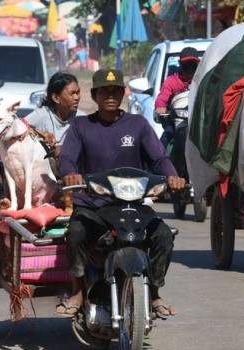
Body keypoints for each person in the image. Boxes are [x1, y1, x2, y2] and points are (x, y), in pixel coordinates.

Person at [57, 68, 186, 318]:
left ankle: (154, 292)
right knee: (76, 232)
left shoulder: (138, 125)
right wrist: (70, 174)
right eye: (104, 92)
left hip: (132, 205)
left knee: (163, 236)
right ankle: (78, 290)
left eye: (115, 91)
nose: (110, 96)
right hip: (94, 205)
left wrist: (172, 176)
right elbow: (67, 159)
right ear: (94, 95)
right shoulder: (81, 126)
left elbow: (159, 158)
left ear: (123, 94)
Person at [26, 71, 81, 144]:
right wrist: (39, 133)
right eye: (72, 93)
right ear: (56, 98)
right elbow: (18, 127)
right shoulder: (42, 115)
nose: (77, 97)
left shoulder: (81, 119)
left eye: (78, 92)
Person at [154, 47, 200, 115]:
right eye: (186, 65)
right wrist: (160, 107)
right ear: (180, 63)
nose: (190, 69)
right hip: (176, 118)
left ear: (198, 63)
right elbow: (161, 99)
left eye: (192, 65)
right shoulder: (171, 82)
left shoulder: (203, 80)